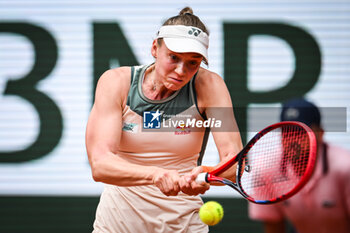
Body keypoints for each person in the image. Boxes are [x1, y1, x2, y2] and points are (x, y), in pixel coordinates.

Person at [85, 7, 242, 233]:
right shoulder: (116, 82)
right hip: (117, 224)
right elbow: (100, 165)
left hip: (184, 225)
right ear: (154, 49)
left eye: (193, 62)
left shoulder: (210, 86)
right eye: (174, 57)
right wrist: (155, 174)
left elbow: (234, 161)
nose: (181, 70)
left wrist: (207, 174)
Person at [248, 98, 350, 233]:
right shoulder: (265, 169)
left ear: (320, 134)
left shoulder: (345, 167)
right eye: (287, 132)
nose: (292, 141)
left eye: (300, 133)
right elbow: (274, 226)